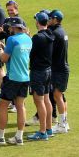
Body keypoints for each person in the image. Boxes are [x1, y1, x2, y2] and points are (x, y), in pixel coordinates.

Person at [0, 20, 32, 146]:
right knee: (21, 106)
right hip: (25, 77)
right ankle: (19, 136)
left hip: (13, 78)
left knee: (2, 105)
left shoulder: (12, 39)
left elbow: (4, 58)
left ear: (13, 27)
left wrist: (1, 49)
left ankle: (0, 136)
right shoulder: (28, 39)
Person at [27, 11, 54, 141]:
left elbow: (31, 53)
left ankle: (42, 132)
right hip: (48, 71)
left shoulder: (37, 38)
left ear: (37, 22)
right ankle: (48, 129)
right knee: (47, 99)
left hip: (38, 72)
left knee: (39, 101)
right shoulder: (50, 34)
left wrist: (29, 38)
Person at [48, 9, 71, 133]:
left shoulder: (55, 33)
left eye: (50, 18)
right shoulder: (62, 31)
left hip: (58, 69)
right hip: (63, 68)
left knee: (57, 96)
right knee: (60, 96)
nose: (48, 20)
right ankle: (64, 123)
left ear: (55, 19)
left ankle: (62, 125)